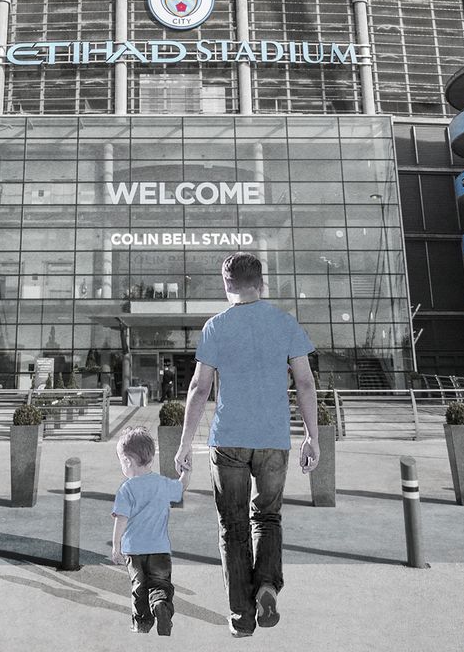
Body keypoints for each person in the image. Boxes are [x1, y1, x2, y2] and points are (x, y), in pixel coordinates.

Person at [174, 251, 319, 638]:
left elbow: (199, 388)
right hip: (273, 439)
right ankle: (267, 585)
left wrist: (185, 444)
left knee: (232, 526)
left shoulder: (216, 326)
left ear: (227, 285)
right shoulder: (285, 322)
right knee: (267, 517)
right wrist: (312, 437)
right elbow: (305, 383)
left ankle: (241, 616)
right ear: (262, 283)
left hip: (229, 441)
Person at [111, 426, 191, 635]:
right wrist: (186, 471)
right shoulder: (161, 484)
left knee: (139, 586)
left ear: (128, 461)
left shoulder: (126, 489)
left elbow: (121, 520)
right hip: (160, 549)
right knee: (160, 583)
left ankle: (142, 623)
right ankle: (161, 604)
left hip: (134, 550)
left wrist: (116, 546)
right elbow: (181, 487)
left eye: (121, 461)